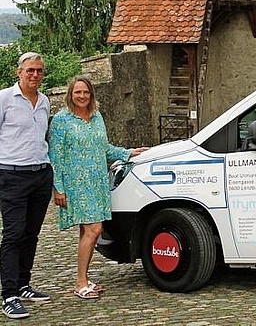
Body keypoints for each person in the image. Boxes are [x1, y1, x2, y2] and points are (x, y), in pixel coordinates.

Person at [48, 76, 147, 300]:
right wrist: (59, 188)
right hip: (76, 185)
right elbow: (55, 157)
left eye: (86, 92)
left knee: (88, 232)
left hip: (97, 182)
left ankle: (85, 277)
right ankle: (80, 282)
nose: (82, 96)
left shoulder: (96, 116)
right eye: (77, 92)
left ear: (91, 94)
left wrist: (128, 153)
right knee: (94, 230)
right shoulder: (61, 120)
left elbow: (104, 148)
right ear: (70, 94)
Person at [0, 52, 53, 319]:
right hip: (12, 176)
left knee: (31, 234)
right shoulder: (4, 99)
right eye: (30, 70)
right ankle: (8, 295)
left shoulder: (44, 101)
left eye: (39, 71)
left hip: (40, 175)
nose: (35, 75)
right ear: (19, 72)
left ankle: (23, 285)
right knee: (13, 235)